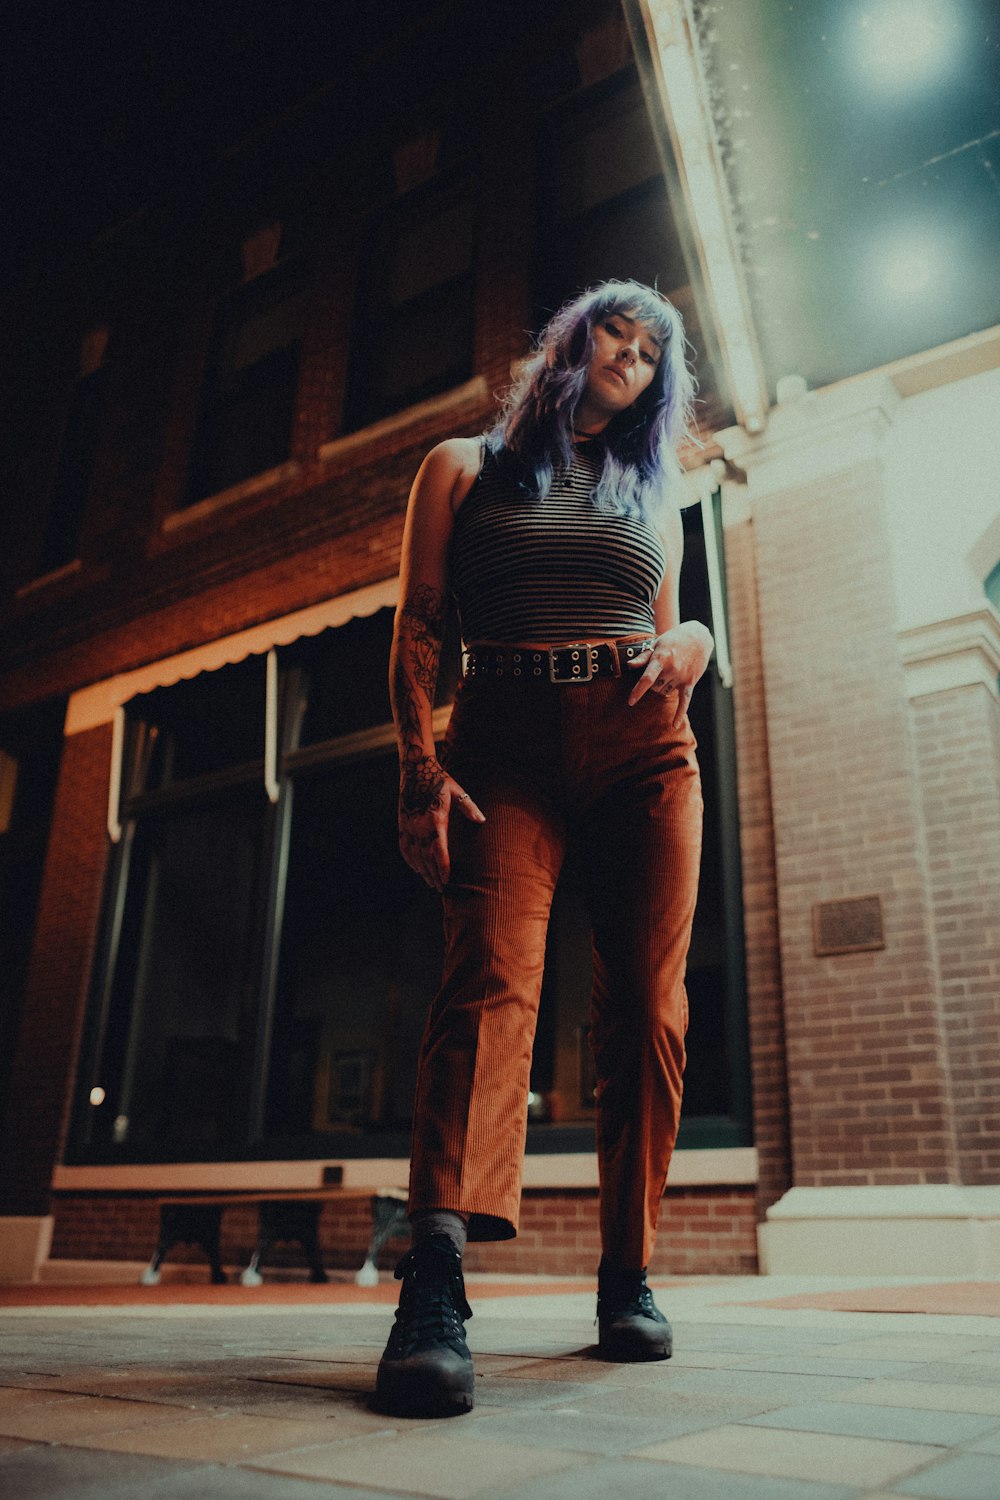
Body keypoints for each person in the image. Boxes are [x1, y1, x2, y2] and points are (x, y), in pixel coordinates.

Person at [376, 279, 713, 1418]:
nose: (636, 348)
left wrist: (696, 642)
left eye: (655, 346)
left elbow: (669, 629)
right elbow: (421, 620)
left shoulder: (649, 489)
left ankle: (629, 1276)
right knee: (488, 988)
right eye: (619, 327)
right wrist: (421, 772)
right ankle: (434, 1287)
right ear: (573, 340)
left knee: (647, 1010)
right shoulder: (462, 465)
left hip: (642, 747)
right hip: (504, 741)